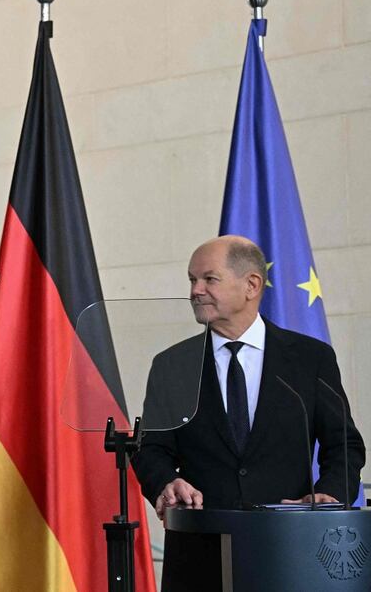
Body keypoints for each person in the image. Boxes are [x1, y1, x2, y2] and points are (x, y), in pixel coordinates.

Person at [132, 235, 365, 590]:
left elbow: (344, 444)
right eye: (192, 280)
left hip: (288, 550)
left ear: (251, 285)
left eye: (209, 279)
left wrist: (329, 497)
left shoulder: (309, 359)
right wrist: (166, 482)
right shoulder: (172, 365)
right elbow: (150, 448)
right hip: (199, 553)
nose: (195, 290)